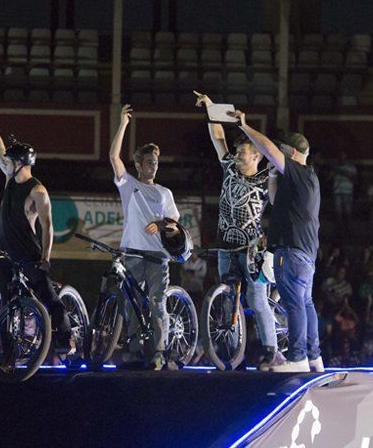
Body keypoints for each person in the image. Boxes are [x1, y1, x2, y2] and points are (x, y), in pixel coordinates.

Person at [194, 91, 283, 370]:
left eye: (242, 151)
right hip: (225, 245)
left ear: (256, 154)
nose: (237, 154)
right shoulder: (230, 168)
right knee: (226, 297)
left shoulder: (265, 177)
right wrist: (210, 108)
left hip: (251, 249)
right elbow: (217, 137)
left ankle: (272, 351)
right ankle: (232, 351)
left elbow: (277, 202)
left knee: (256, 299)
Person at [229, 109, 322, 372]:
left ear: (292, 153)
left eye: (283, 151)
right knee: (305, 302)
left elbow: (268, 148)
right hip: (305, 251)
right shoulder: (307, 178)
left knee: (293, 303)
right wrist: (271, 175)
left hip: (290, 249)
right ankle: (314, 357)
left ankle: (297, 358)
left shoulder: (297, 170)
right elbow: (273, 200)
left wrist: (246, 127)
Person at [0, 99, 73, 354]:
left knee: (49, 297)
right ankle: (8, 350)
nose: (5, 163)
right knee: (7, 304)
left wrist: (46, 257)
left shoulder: (38, 191)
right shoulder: (9, 179)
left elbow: (48, 225)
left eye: (11, 161)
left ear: (21, 162)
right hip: (6, 253)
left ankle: (65, 336)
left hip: (30, 254)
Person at [109, 104, 179, 371]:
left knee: (157, 301)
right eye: (149, 162)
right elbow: (114, 157)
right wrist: (123, 124)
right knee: (132, 304)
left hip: (158, 255)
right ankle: (137, 350)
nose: (153, 166)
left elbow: (174, 222)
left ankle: (160, 352)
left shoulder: (164, 192)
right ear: (138, 165)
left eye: (156, 162)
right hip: (133, 253)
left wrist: (161, 224)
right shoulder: (129, 185)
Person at [331, 150, 357, 229]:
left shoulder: (351, 167)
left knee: (348, 212)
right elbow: (328, 178)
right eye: (340, 157)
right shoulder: (335, 167)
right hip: (337, 191)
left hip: (347, 192)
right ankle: (339, 229)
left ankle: (348, 229)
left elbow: (355, 180)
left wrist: (343, 172)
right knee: (338, 212)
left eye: (343, 156)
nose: (342, 158)